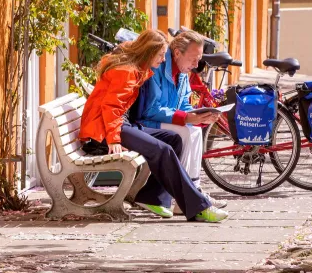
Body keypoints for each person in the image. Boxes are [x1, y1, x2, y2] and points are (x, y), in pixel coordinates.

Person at [78, 29, 229, 223]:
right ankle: (199, 207)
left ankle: (153, 197)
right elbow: (111, 108)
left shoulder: (139, 69)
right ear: (149, 52)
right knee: (163, 150)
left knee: (173, 140)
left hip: (118, 124)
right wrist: (114, 139)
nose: (163, 60)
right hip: (105, 131)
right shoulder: (126, 71)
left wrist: (196, 116)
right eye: (160, 55)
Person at [135, 30, 229, 212]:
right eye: (193, 59)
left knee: (195, 130)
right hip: (147, 122)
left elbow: (184, 104)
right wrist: (186, 118)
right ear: (177, 53)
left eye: (199, 59)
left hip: (165, 120)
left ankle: (193, 190)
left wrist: (200, 116)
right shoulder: (157, 66)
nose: (196, 65)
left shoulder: (183, 72)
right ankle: (185, 196)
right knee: (185, 132)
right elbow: (150, 110)